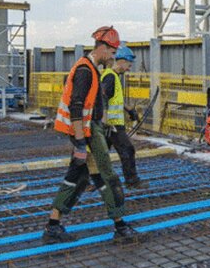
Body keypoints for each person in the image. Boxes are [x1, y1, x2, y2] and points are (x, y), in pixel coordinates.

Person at [43, 26, 140, 244]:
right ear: (103, 48)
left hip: (91, 130)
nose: (113, 57)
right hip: (86, 132)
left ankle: (53, 224)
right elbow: (76, 107)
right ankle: (120, 225)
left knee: (81, 176)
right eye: (113, 53)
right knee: (105, 175)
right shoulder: (85, 71)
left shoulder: (93, 69)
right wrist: (79, 144)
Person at [100, 46, 148, 189]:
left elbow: (115, 99)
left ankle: (91, 181)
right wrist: (105, 122)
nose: (129, 67)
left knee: (100, 154)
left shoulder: (114, 76)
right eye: (128, 64)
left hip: (111, 124)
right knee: (127, 150)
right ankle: (132, 181)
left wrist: (129, 110)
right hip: (112, 125)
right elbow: (103, 99)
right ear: (120, 61)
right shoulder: (110, 77)